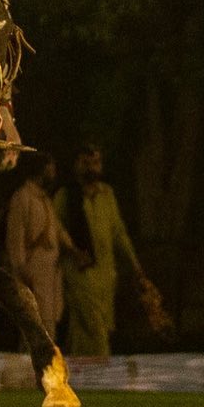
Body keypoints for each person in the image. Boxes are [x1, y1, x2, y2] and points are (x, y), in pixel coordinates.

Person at [53, 144, 154, 357]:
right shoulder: (66, 196)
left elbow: (119, 233)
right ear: (76, 164)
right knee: (94, 326)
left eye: (96, 162)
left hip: (106, 275)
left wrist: (135, 266)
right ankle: (104, 374)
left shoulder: (107, 194)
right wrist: (73, 251)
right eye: (86, 162)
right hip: (79, 273)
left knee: (88, 329)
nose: (91, 167)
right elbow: (55, 229)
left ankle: (81, 379)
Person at [4, 152, 83, 341]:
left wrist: (73, 250)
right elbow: (15, 239)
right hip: (33, 269)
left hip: (50, 270)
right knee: (36, 321)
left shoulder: (45, 200)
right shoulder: (22, 197)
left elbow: (57, 229)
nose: (54, 172)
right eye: (51, 168)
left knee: (49, 319)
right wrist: (22, 271)